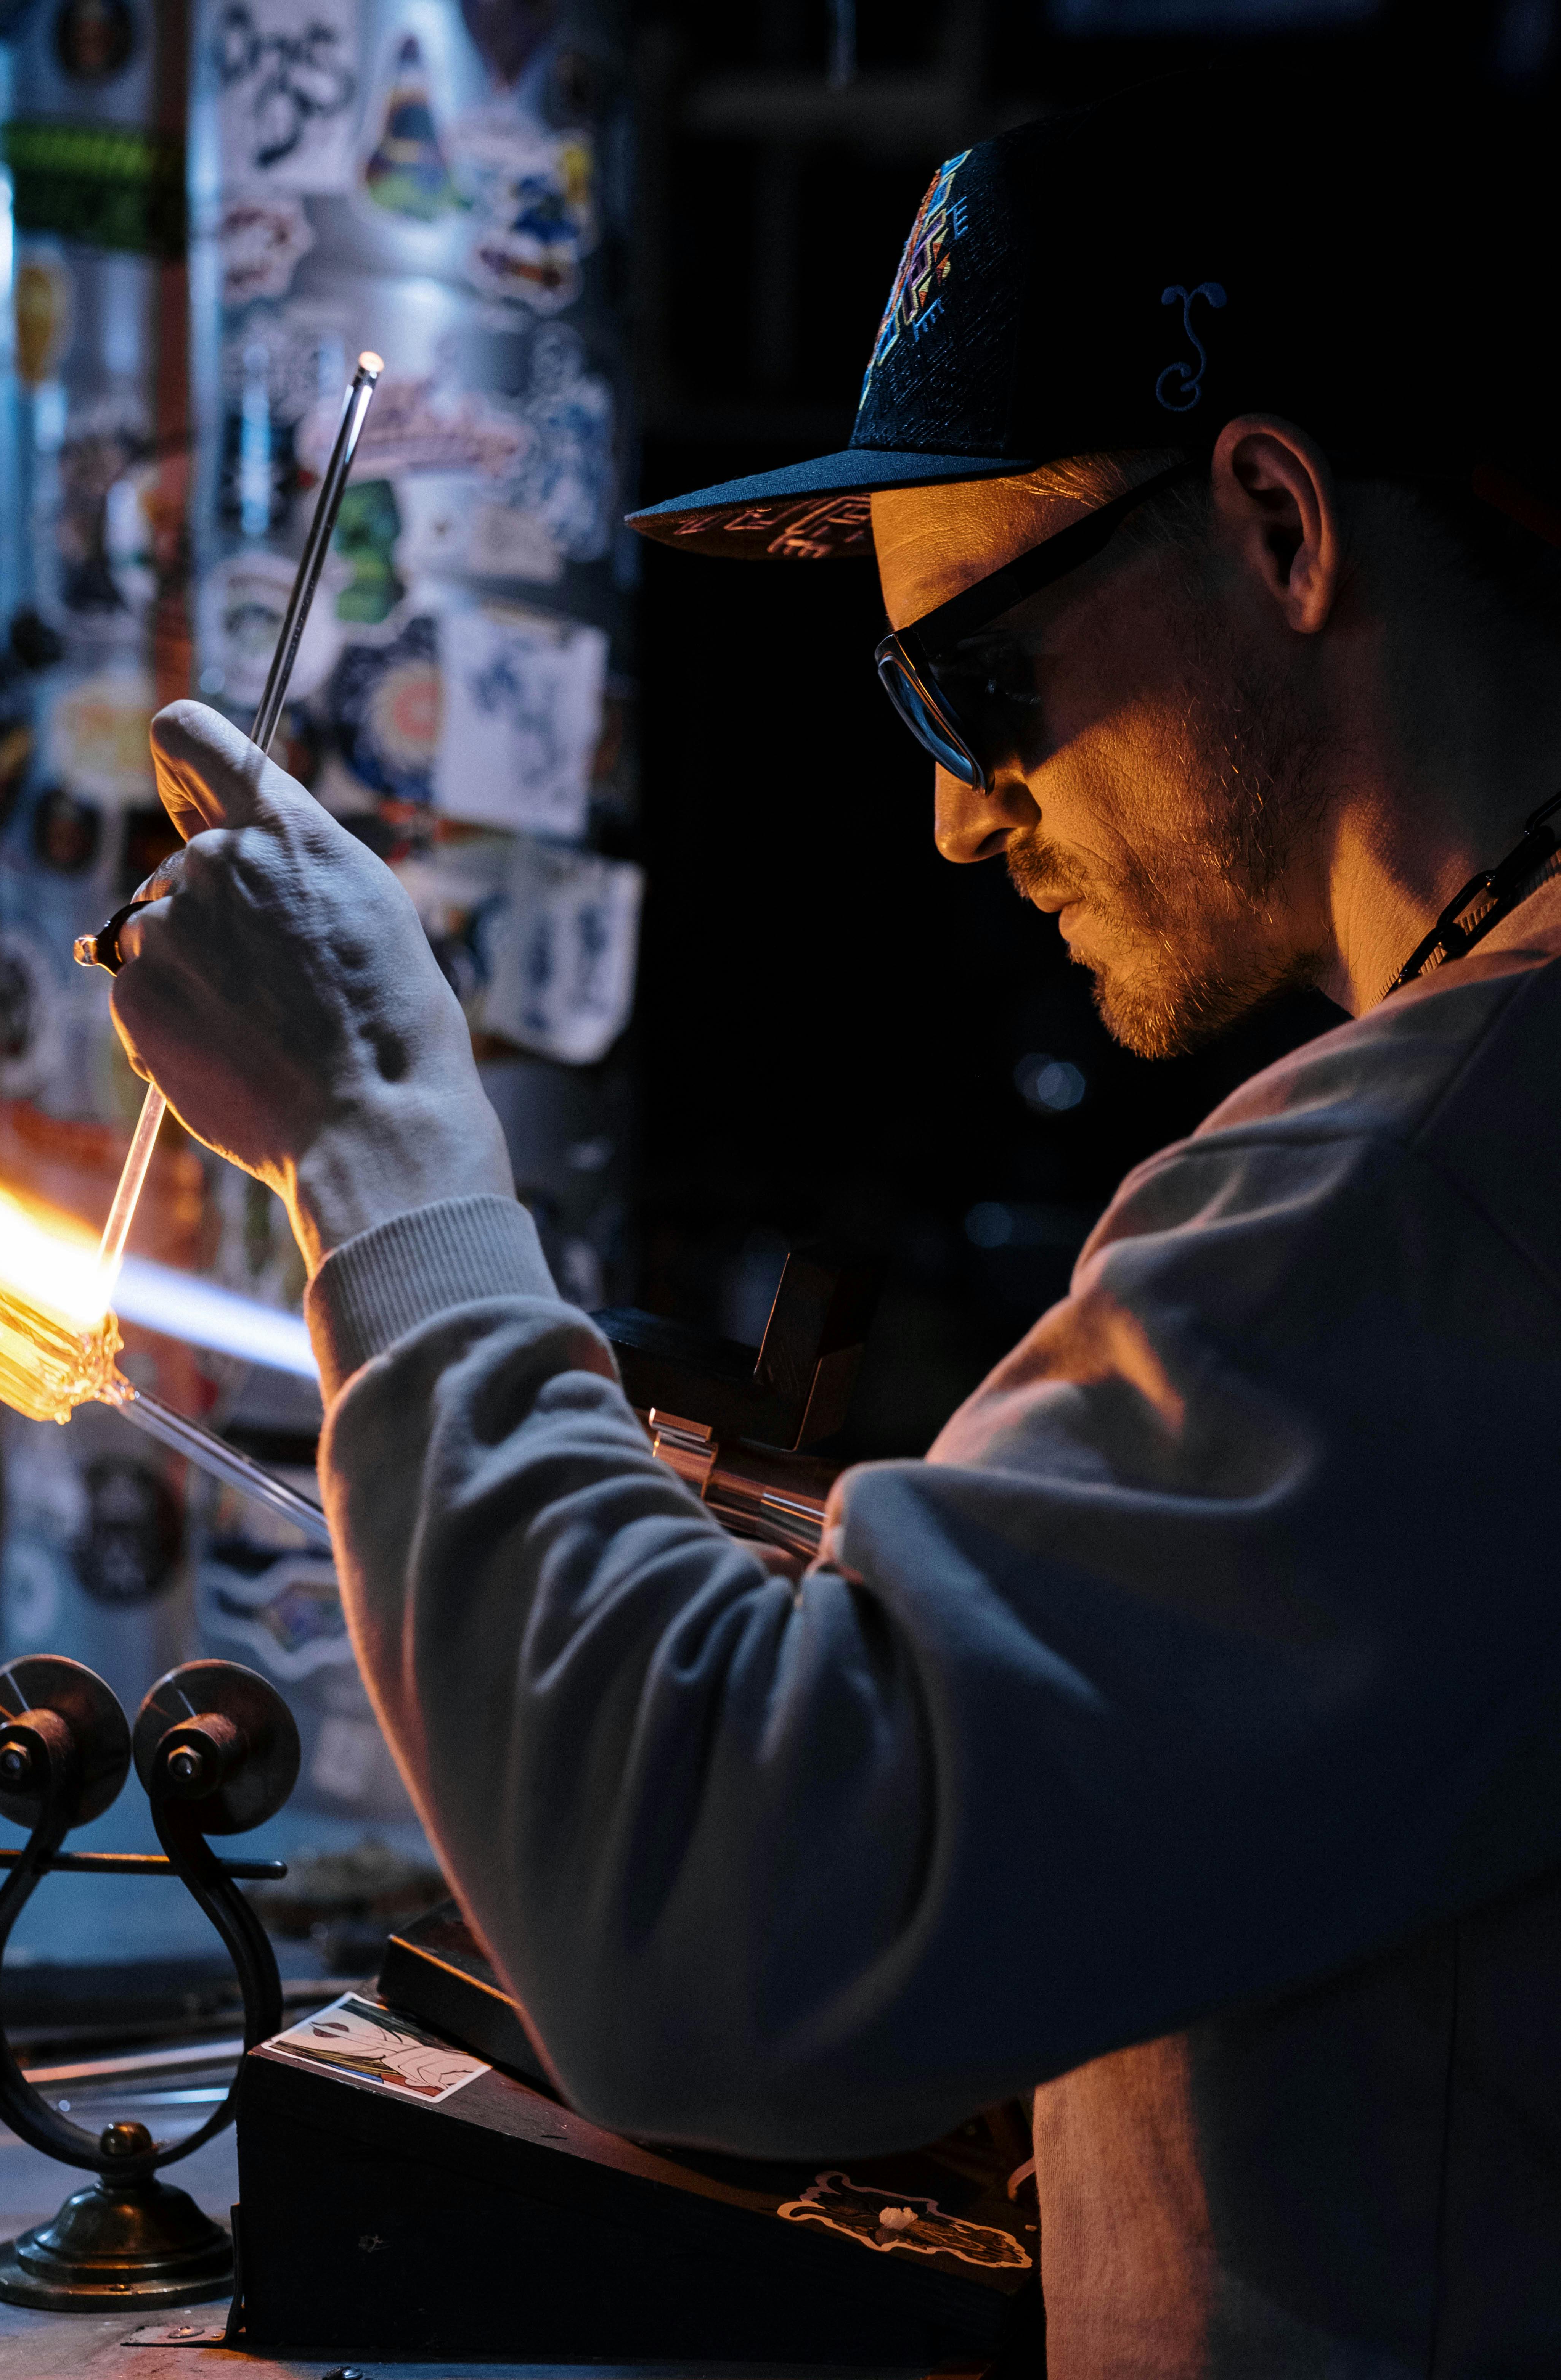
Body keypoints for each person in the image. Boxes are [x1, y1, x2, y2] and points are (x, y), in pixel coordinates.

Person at [107, 71, 1561, 2380]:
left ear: (1277, 525)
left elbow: (712, 1939)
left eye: (971, 680)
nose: (958, 822)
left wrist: (384, 1140)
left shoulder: (1445, 1185)